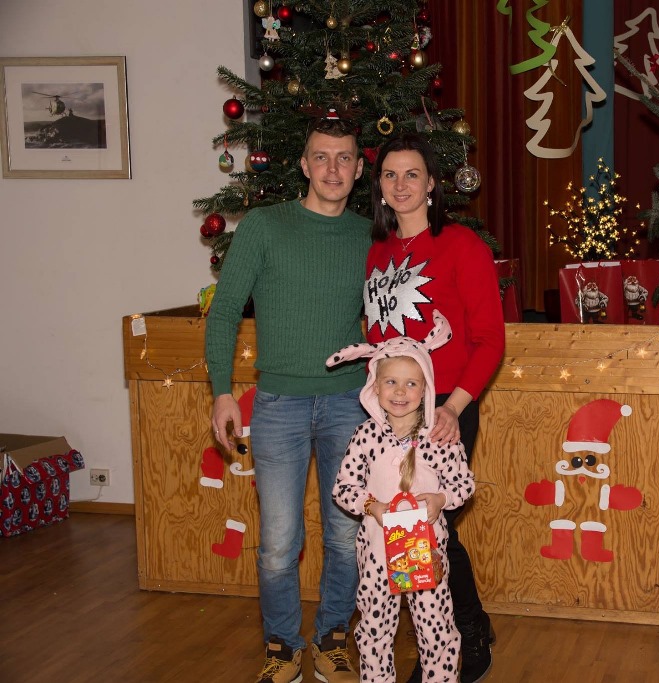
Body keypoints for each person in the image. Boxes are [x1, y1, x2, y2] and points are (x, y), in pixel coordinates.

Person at [206, 112, 370, 683]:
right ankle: (282, 647)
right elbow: (225, 311)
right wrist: (222, 393)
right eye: (321, 157)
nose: (333, 169)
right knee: (278, 542)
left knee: (346, 536)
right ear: (304, 165)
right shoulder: (263, 226)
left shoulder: (369, 236)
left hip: (351, 405)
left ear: (358, 169)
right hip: (279, 405)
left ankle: (332, 638)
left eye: (344, 158)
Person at [363, 132, 505, 683]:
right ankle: (444, 636)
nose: (401, 185)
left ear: (431, 184)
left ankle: (463, 635)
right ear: (379, 185)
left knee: (431, 520)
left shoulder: (461, 246)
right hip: (390, 412)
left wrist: (453, 408)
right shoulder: (378, 251)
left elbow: (489, 340)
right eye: (390, 174)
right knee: (407, 525)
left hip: (446, 405)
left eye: (412, 174)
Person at [329, 310, 475, 683]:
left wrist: (440, 500)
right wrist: (371, 506)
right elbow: (343, 487)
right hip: (377, 552)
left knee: (435, 628)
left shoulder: (439, 436)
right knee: (375, 631)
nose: (399, 392)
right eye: (391, 382)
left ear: (425, 388)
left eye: (411, 384)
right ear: (375, 386)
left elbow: (463, 484)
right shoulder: (365, 436)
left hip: (427, 550)